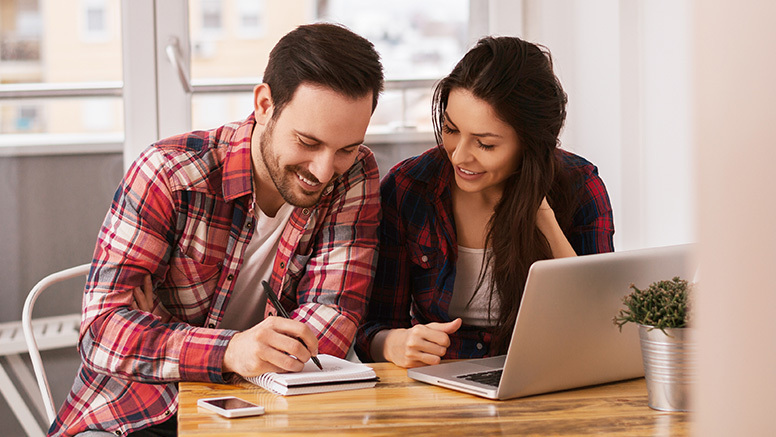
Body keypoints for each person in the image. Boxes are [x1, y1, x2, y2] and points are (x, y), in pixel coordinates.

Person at [51, 23, 383, 436]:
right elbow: (102, 334)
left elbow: (330, 320)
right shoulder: (168, 174)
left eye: (346, 148)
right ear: (264, 105)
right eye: (307, 142)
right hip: (139, 408)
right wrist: (232, 351)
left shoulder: (353, 175)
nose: (323, 169)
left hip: (268, 408)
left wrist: (164, 332)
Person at [355, 36, 614, 368]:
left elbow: (600, 323)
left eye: (485, 144)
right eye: (451, 129)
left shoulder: (581, 185)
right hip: (437, 384)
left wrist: (543, 216)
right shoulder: (409, 188)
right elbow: (369, 328)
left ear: (531, 145)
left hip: (545, 377)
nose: (460, 155)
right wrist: (392, 344)